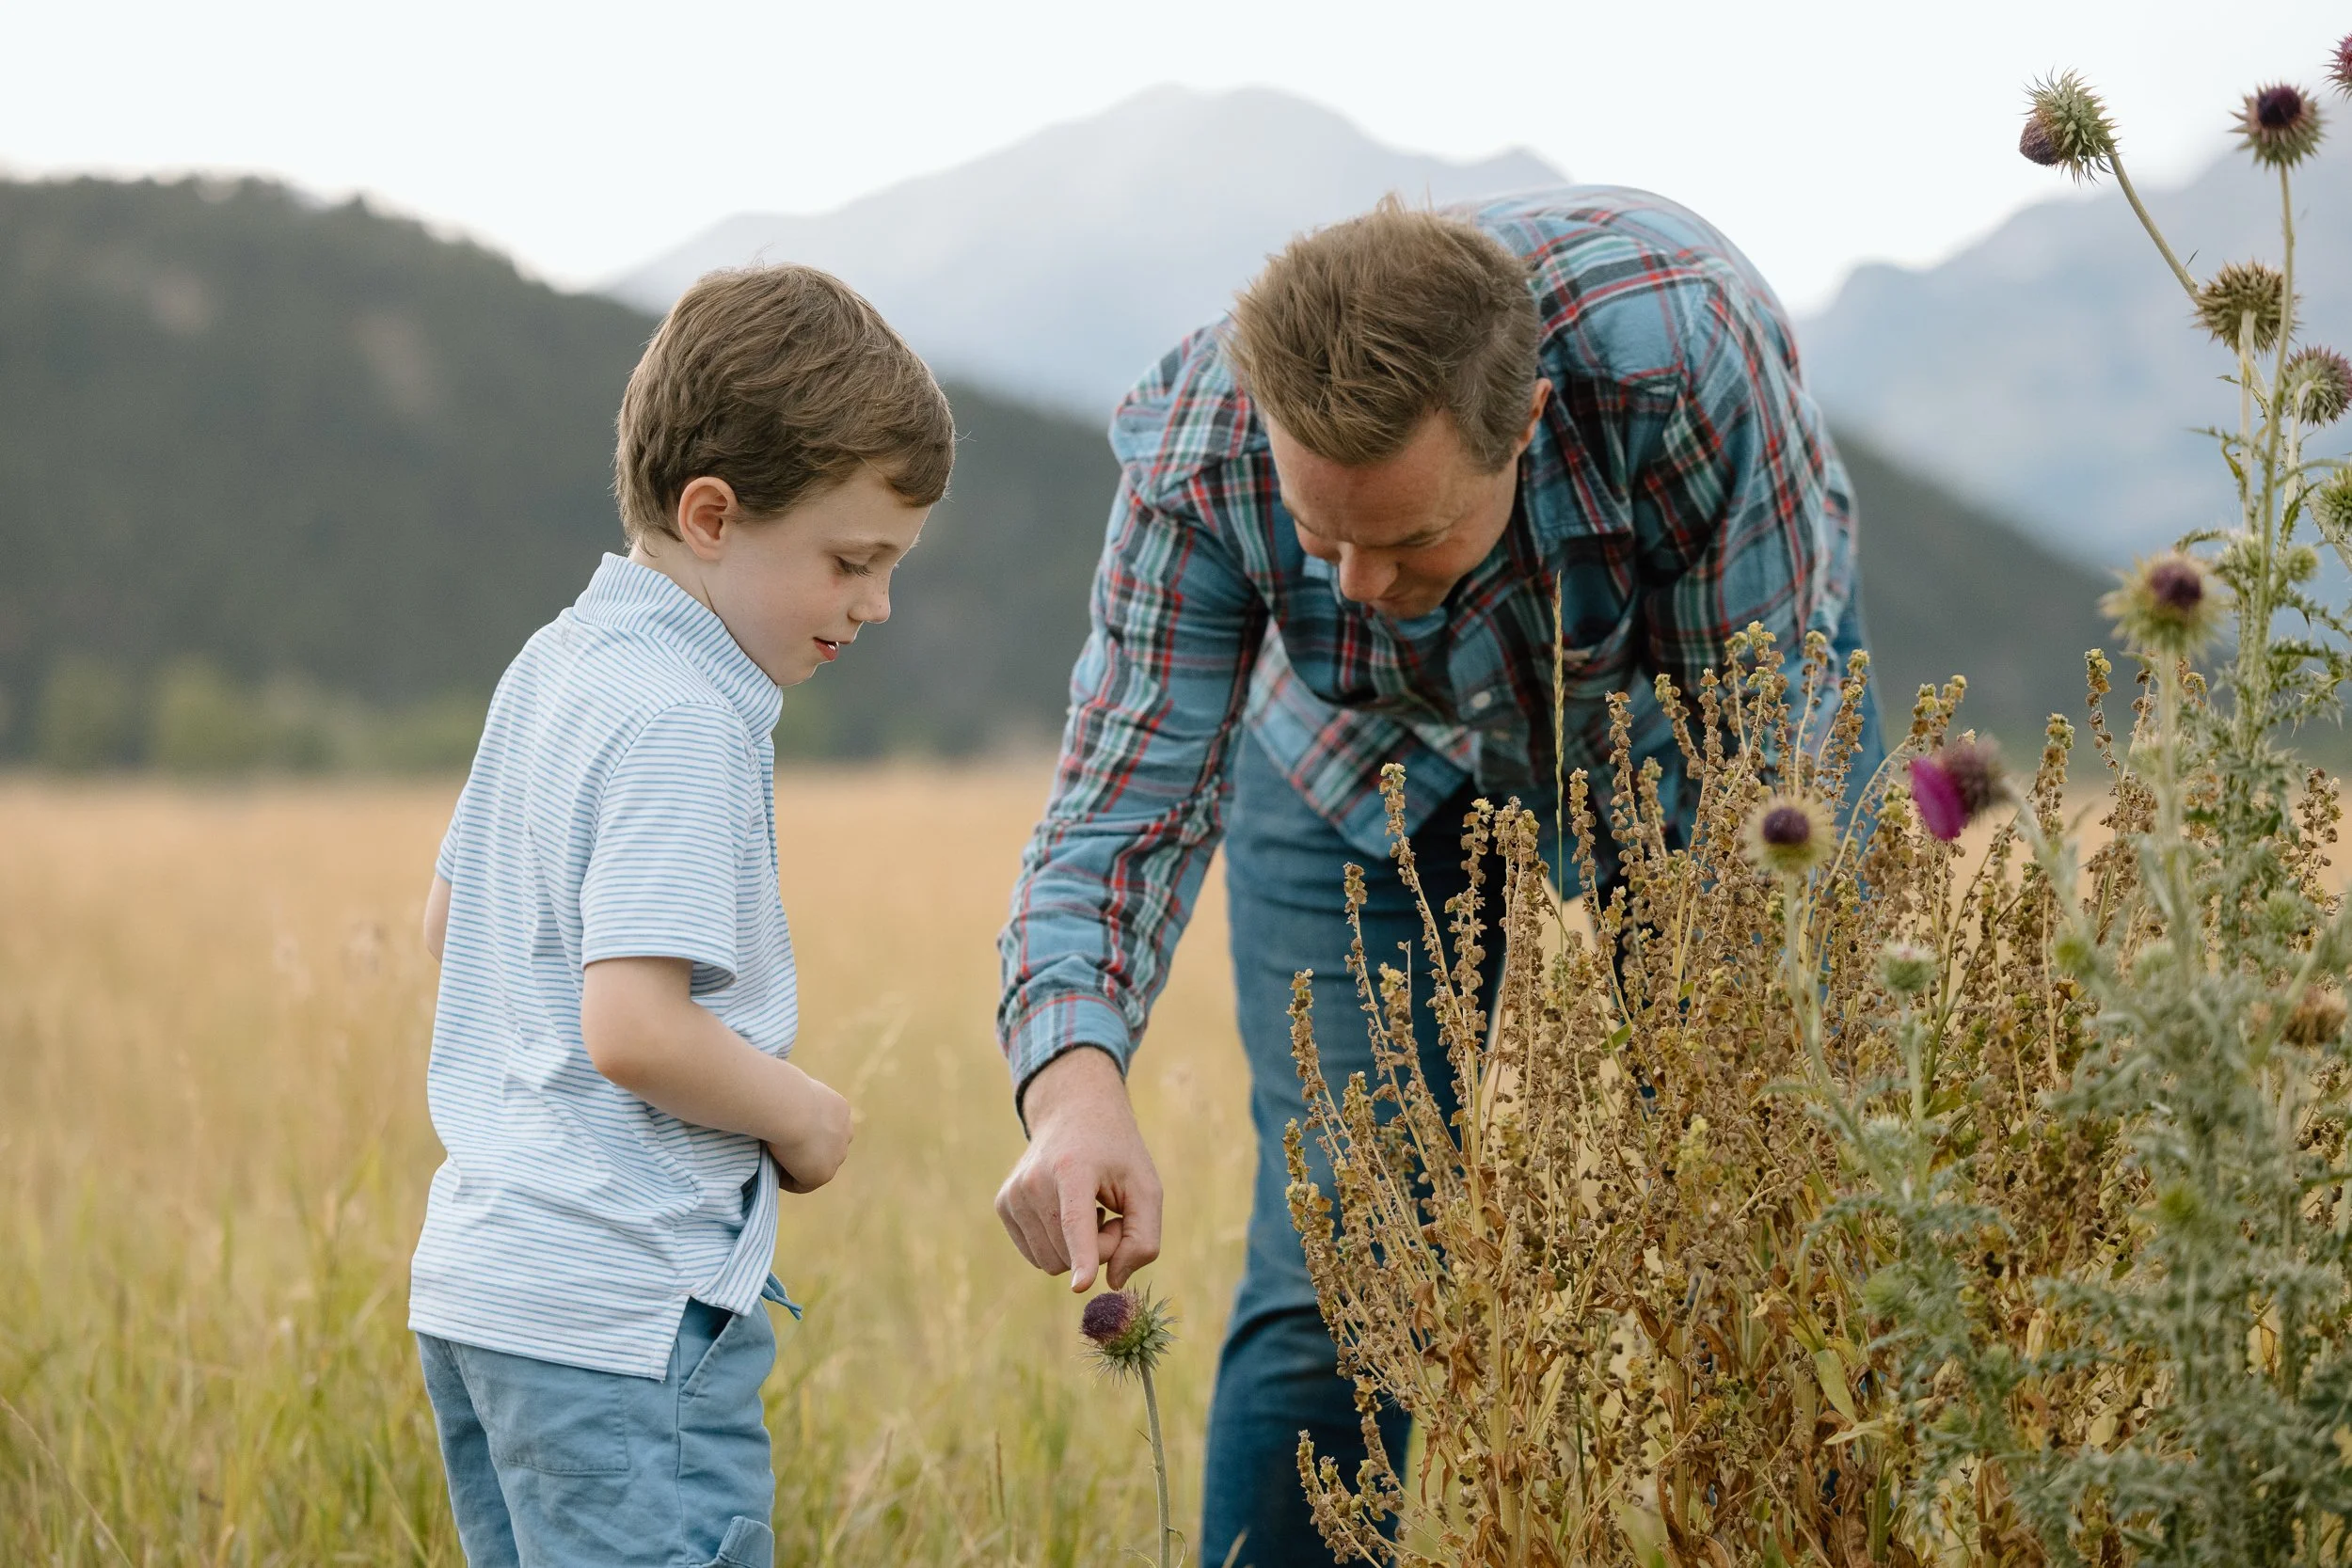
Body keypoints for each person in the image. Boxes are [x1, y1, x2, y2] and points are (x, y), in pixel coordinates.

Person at [993, 190, 1884, 1566]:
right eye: (1320, 532)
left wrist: (1730, 1065)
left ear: (1523, 425)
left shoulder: (1686, 360)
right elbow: (1121, 808)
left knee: (1776, 1206)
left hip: (1667, 737)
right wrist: (1072, 1089)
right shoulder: (1204, 442)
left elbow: (1771, 770)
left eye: (1409, 540)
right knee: (1343, 1269)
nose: (1351, 583)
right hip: (1349, 774)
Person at [409, 265, 951, 1568]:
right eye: (850, 560)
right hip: (626, 1312)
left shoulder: (558, 663)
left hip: (489, 1287)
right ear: (712, 515)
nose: (873, 603)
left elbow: (448, 924)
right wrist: (802, 1113)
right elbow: (636, 1030)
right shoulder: (682, 714)